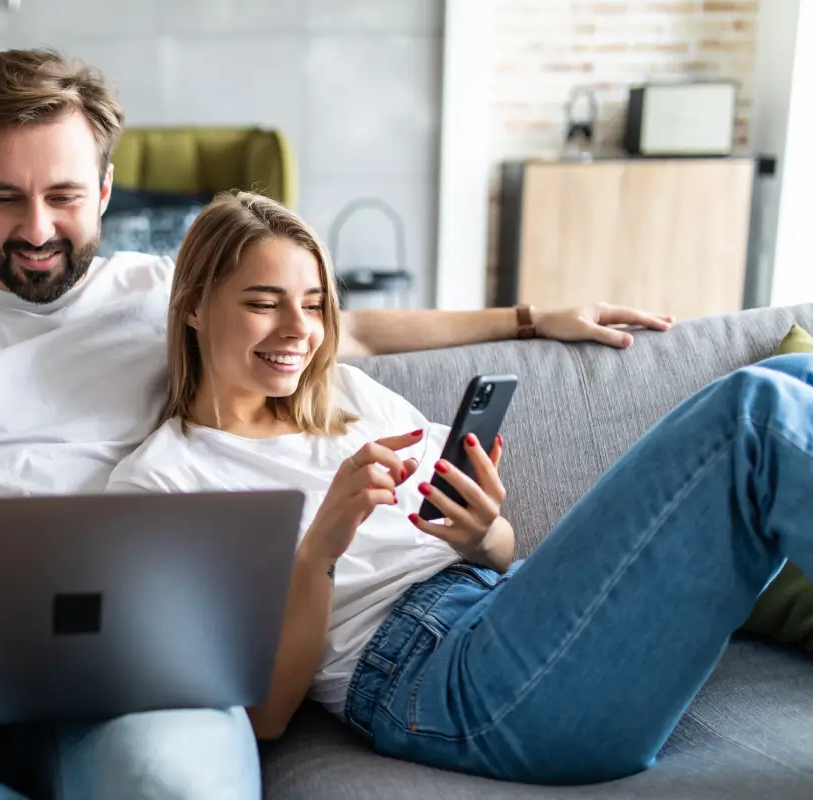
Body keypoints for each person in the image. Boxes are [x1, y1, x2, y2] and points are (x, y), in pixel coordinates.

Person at [0, 49, 671, 800]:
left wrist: (529, 316)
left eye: (64, 196)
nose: (35, 230)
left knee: (175, 783)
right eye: (2, 199)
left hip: (143, 659)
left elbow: (340, 326)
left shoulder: (170, 290)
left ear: (109, 188)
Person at [106, 190, 813, 786]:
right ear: (194, 306)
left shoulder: (349, 394)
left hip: (510, 610)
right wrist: (318, 549)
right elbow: (266, 716)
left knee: (793, 383)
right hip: (445, 681)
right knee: (755, 413)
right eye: (264, 303)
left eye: (315, 305)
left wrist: (483, 535)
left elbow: (500, 553)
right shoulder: (164, 481)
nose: (299, 330)